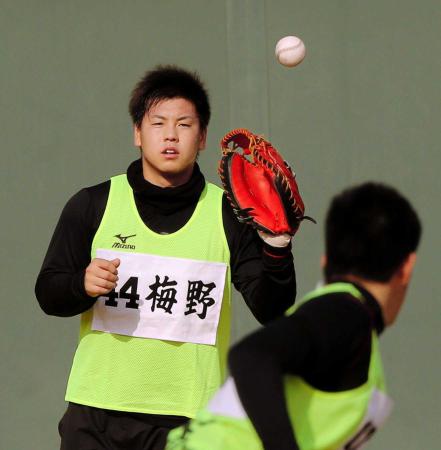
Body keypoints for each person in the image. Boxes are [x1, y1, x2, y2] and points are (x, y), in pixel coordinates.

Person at [35, 65, 298, 450]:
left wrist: (277, 247)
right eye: (158, 123)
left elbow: (271, 308)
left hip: (188, 420)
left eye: (184, 124)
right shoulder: (93, 204)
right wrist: (81, 284)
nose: (171, 135)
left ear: (203, 136)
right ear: (137, 134)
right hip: (96, 416)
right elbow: (48, 291)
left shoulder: (228, 213)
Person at [166, 181, 421, 450]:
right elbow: (252, 357)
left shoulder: (343, 315)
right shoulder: (346, 313)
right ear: (407, 267)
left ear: (325, 260)